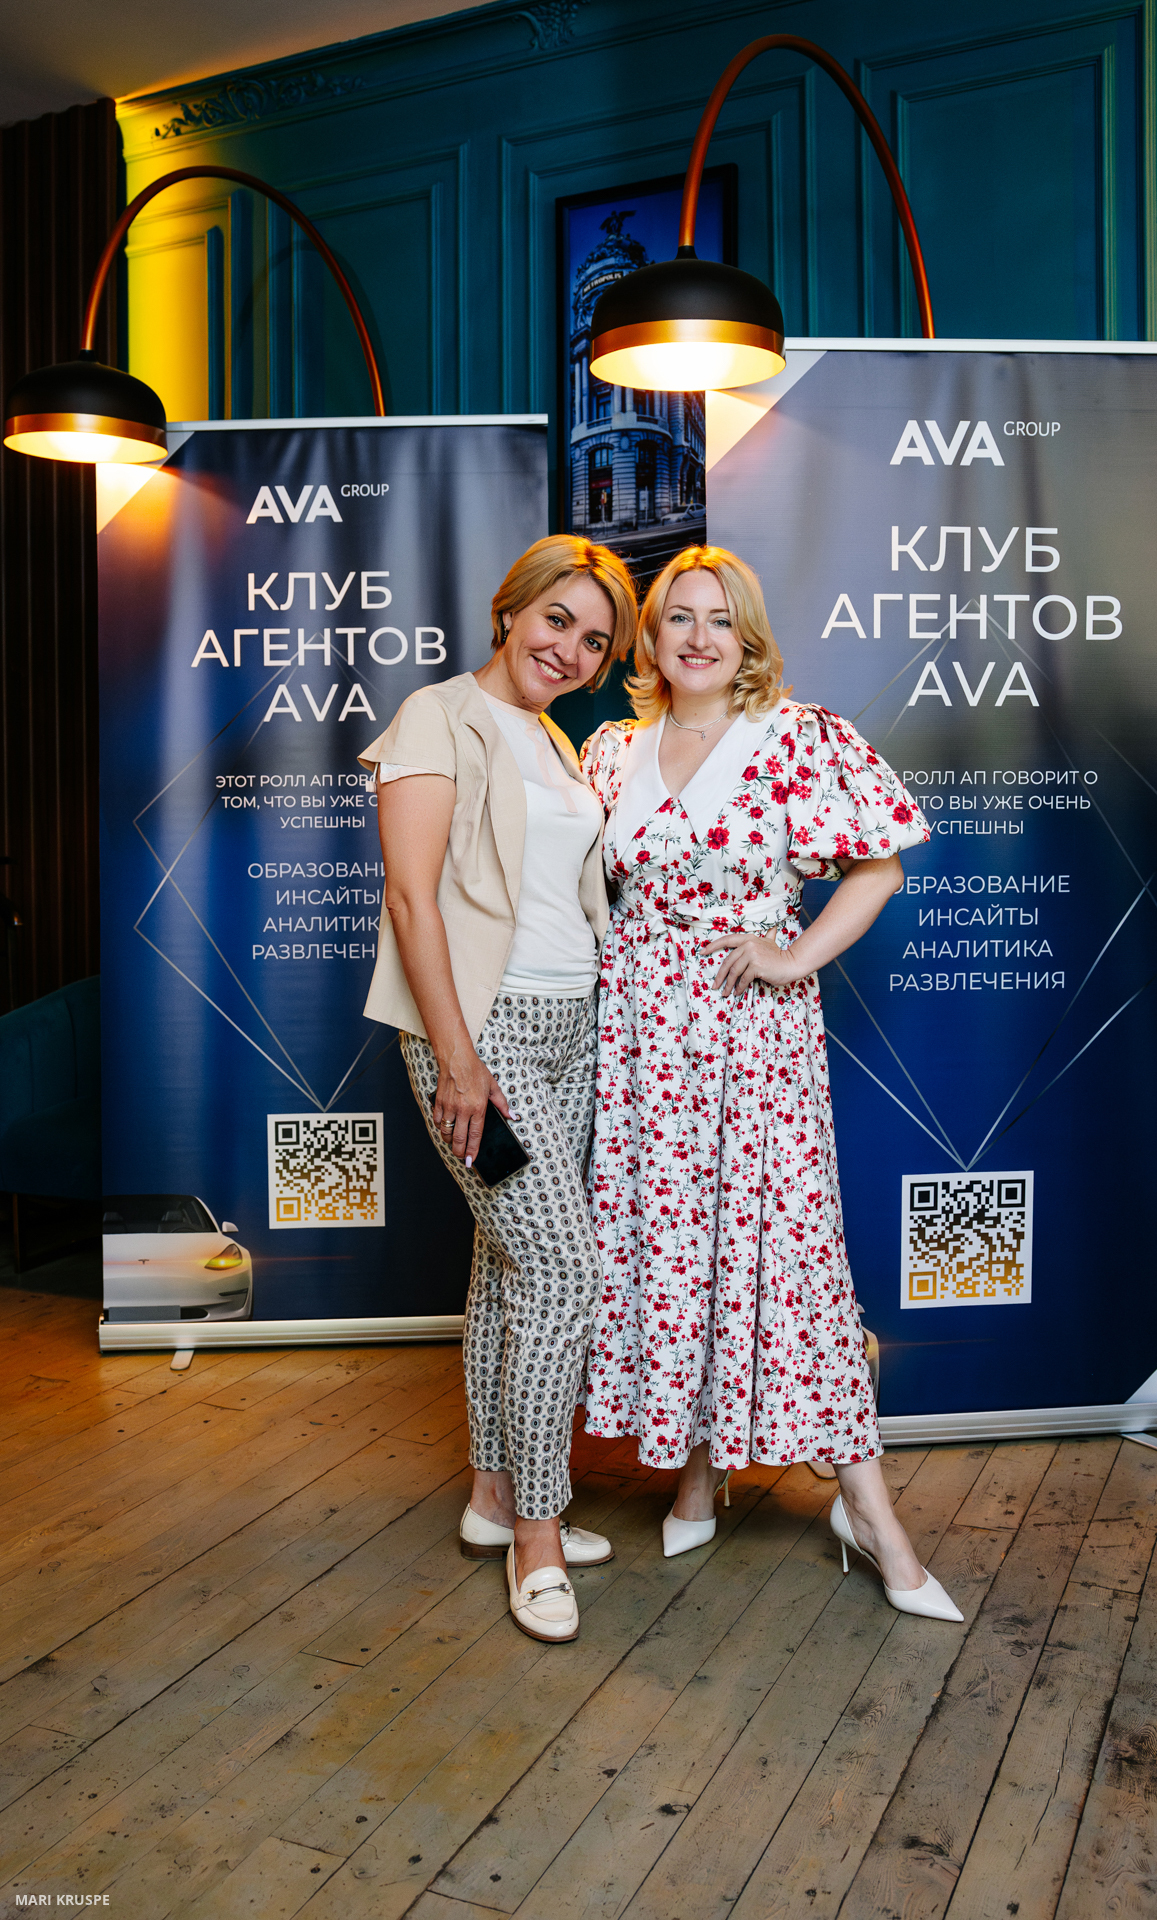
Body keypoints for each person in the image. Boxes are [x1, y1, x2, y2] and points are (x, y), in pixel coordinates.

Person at [580, 545, 962, 1622]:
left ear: (746, 638)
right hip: (640, 1045)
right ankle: (698, 1473)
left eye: (720, 619)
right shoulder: (611, 750)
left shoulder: (794, 738)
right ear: (650, 639)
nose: (698, 637)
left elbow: (879, 866)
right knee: (680, 1255)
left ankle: (871, 1516)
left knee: (785, 1260)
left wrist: (794, 956)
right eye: (677, 618)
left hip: (752, 1040)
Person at [360, 534, 638, 1644]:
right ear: (510, 609)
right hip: (486, 1038)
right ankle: (537, 1534)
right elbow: (411, 898)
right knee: (564, 1270)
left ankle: (489, 1496)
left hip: (572, 1032)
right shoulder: (437, 715)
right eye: (556, 620)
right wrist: (459, 1058)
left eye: (594, 640)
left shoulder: (554, 739)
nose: (569, 650)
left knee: (506, 1263)